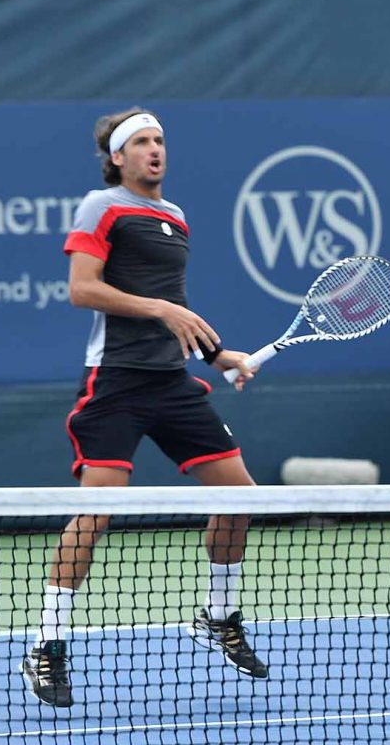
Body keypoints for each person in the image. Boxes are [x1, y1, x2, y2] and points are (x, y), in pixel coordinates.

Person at [22, 109, 269, 709]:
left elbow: (176, 305)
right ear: (117, 157)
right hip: (116, 386)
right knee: (97, 513)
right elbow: (82, 288)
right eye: (141, 143)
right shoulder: (99, 205)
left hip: (172, 383)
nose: (155, 150)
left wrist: (219, 356)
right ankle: (46, 645)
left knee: (241, 498)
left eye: (160, 140)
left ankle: (217, 615)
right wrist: (157, 310)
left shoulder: (175, 217)